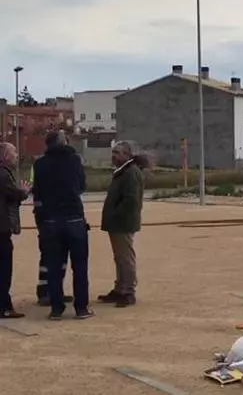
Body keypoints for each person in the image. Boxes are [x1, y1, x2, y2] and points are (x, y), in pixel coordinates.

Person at [32, 131, 93, 320]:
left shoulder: (39, 164)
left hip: (50, 220)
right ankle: (81, 308)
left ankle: (56, 308)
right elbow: (82, 186)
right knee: (80, 266)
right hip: (74, 218)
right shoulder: (75, 160)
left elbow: (37, 191)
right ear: (64, 142)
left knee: (53, 266)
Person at [98, 141, 145, 308]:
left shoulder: (131, 173)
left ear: (127, 155)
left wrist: (115, 214)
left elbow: (131, 201)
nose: (114, 156)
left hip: (123, 223)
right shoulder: (122, 172)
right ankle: (120, 288)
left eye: (117, 153)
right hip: (117, 223)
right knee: (119, 257)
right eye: (113, 152)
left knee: (126, 258)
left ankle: (128, 291)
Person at [0, 142, 28, 318]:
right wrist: (24, 191)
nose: (17, 155)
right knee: (4, 268)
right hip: (1, 228)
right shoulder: (3, 174)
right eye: (14, 152)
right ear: (4, 156)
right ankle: (4, 307)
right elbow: (14, 193)